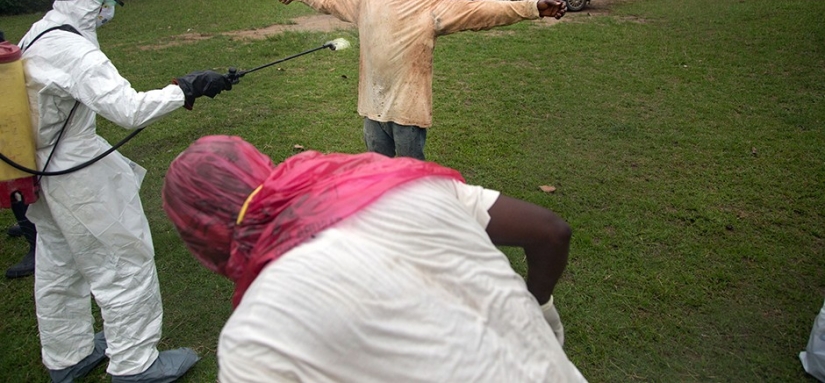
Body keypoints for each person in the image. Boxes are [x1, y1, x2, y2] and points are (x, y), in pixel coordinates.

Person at [162, 134, 587, 382]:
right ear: (265, 167)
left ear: (202, 240)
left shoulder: (254, 339)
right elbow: (552, 230)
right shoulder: (402, 185)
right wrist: (538, 304)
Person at [17, 0, 232, 382]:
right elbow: (128, 109)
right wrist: (186, 88)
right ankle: (136, 364)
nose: (110, 5)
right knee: (124, 261)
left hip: (37, 167)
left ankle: (68, 353)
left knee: (61, 262)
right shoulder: (76, 51)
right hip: (76, 172)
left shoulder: (38, 33)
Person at [276, 0, 566, 161]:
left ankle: (414, 229)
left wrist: (532, 7)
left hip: (408, 111)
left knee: (411, 181)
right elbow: (329, 0)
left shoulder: (431, 4)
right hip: (373, 108)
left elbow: (481, 10)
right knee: (379, 175)